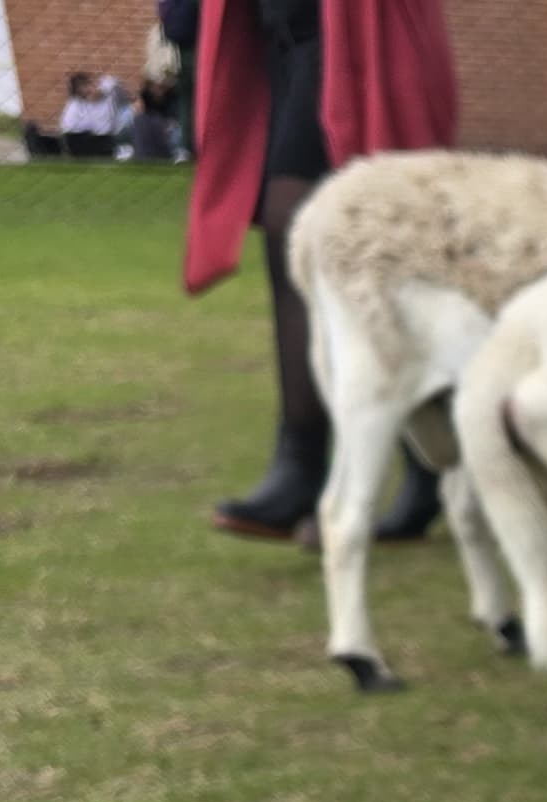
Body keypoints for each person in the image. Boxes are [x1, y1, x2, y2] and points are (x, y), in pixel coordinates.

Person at [180, 0, 459, 541]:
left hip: (353, 35)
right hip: (277, 38)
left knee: (347, 241)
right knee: (327, 248)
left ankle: (323, 463)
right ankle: (331, 464)